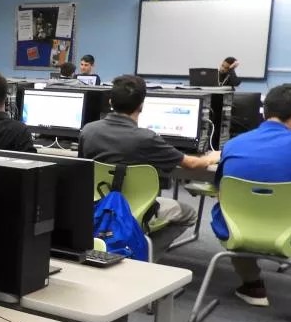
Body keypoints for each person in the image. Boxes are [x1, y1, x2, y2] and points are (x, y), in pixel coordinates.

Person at [211, 83, 291, 317]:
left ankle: (252, 285)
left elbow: (220, 186)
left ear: (264, 111)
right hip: (290, 234)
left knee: (233, 210)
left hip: (237, 232)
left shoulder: (233, 144)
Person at [79, 75, 219, 226]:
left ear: (110, 102)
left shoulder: (88, 131)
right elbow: (191, 164)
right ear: (141, 105)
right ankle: (142, 246)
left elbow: (81, 167)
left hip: (97, 205)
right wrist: (211, 158)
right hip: (137, 208)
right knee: (189, 213)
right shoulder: (147, 139)